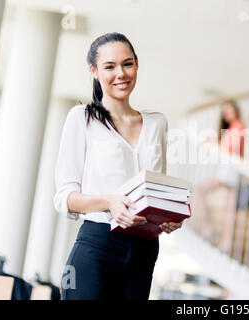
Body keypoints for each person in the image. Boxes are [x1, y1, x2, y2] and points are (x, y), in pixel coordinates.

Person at [53, 32, 182, 300]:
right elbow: (64, 198)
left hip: (145, 249)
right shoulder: (82, 119)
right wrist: (109, 202)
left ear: (137, 64)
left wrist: (166, 216)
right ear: (94, 71)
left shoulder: (157, 123)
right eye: (109, 67)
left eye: (127, 64)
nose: (120, 74)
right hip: (97, 245)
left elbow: (157, 188)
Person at [198, 100, 245, 251]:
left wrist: (214, 144)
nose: (227, 115)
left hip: (230, 170)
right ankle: (221, 236)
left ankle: (214, 231)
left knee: (204, 191)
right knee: (228, 208)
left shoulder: (239, 126)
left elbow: (232, 148)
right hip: (226, 169)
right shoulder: (231, 128)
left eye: (230, 111)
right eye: (225, 113)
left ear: (236, 111)